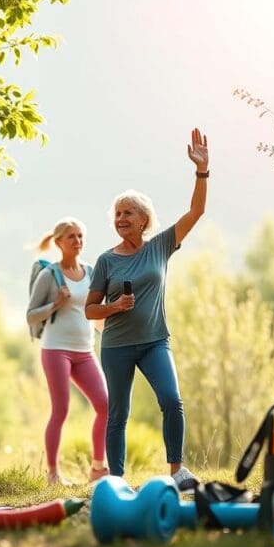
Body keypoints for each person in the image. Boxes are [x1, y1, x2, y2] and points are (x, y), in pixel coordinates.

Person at [84, 128, 210, 491]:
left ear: (143, 219)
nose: (121, 218)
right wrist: (114, 306)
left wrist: (202, 171)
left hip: (155, 341)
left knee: (172, 400)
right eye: (117, 214)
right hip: (118, 347)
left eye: (128, 213)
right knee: (117, 415)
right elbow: (90, 310)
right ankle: (117, 481)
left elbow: (197, 210)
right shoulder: (107, 261)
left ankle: (177, 472)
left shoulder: (160, 247)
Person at [27, 218, 109, 485]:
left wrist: (112, 331)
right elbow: (30, 316)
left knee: (105, 405)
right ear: (59, 242)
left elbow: (96, 314)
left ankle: (98, 467)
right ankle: (52, 473)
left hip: (85, 351)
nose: (78, 241)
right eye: (71, 237)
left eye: (81, 236)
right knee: (61, 410)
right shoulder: (49, 275)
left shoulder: (90, 271)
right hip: (55, 350)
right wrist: (55, 303)